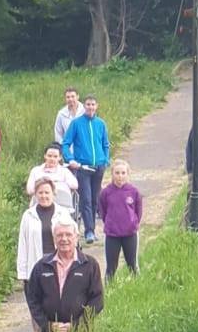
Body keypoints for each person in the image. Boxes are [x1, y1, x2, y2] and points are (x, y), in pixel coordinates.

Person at [24, 215, 105, 332]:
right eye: (59, 235)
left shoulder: (89, 265)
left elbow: (97, 300)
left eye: (68, 235)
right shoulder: (41, 266)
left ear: (76, 238)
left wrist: (78, 325)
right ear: (54, 239)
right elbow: (33, 300)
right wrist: (48, 326)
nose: (64, 239)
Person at [61, 96, 111, 244]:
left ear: (97, 106)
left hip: (99, 166)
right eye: (88, 104)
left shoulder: (101, 124)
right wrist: (70, 159)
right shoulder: (76, 124)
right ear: (85, 106)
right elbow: (66, 143)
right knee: (86, 198)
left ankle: (93, 229)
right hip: (83, 167)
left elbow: (105, 144)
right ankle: (88, 231)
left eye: (93, 105)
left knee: (96, 198)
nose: (90, 107)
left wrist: (106, 160)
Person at [98, 159, 144, 279]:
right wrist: (111, 223)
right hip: (112, 235)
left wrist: (132, 223)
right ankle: (108, 291)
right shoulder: (105, 192)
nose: (120, 176)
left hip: (130, 234)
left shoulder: (133, 192)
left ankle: (137, 288)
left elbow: (138, 212)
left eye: (123, 173)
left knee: (132, 265)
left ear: (128, 174)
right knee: (111, 267)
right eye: (117, 173)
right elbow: (103, 211)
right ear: (112, 174)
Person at [17, 178, 59, 295]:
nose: (43, 196)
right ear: (35, 194)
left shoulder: (62, 214)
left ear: (53, 194)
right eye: (40, 193)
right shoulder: (28, 215)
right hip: (36, 262)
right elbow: (23, 244)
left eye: (47, 192)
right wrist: (23, 272)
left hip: (57, 263)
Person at [25, 146, 79, 213]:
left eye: (55, 156)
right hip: (39, 204)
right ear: (45, 156)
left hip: (62, 206)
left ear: (60, 158)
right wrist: (44, 184)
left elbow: (75, 185)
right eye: (49, 156)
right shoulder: (36, 171)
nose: (52, 159)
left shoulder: (64, 171)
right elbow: (29, 190)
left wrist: (55, 183)